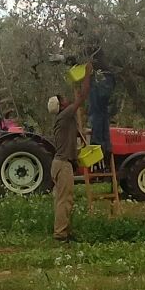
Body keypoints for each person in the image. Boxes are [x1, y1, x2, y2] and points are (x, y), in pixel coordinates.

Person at [50, 63, 93, 242]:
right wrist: (87, 75)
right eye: (63, 99)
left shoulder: (63, 119)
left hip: (59, 164)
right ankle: (60, 235)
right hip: (63, 165)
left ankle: (64, 231)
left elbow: (76, 134)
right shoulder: (65, 114)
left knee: (63, 199)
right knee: (64, 201)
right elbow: (82, 96)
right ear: (61, 105)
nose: (67, 100)